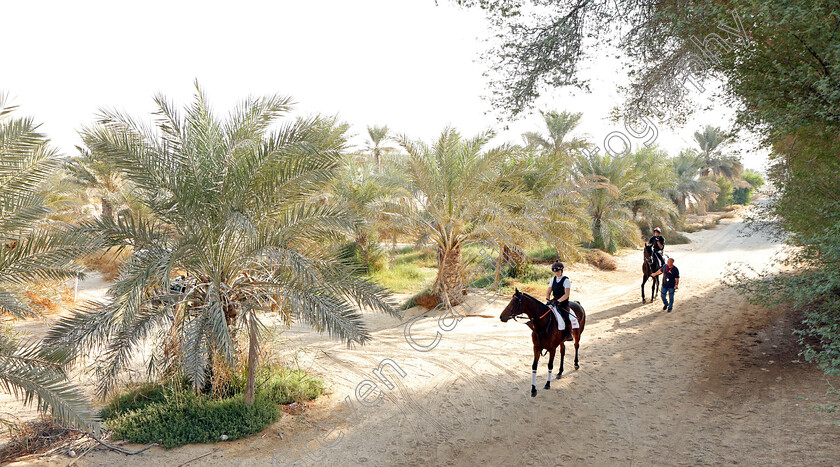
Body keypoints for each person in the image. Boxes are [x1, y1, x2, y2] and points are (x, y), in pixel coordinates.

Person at [545, 261, 573, 341]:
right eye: (554, 271)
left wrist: (558, 301)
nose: (556, 273)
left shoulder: (566, 280)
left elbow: (566, 294)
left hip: (563, 302)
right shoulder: (552, 280)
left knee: (566, 316)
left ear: (561, 270)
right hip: (554, 301)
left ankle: (569, 333)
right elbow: (548, 292)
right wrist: (548, 299)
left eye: (557, 271)